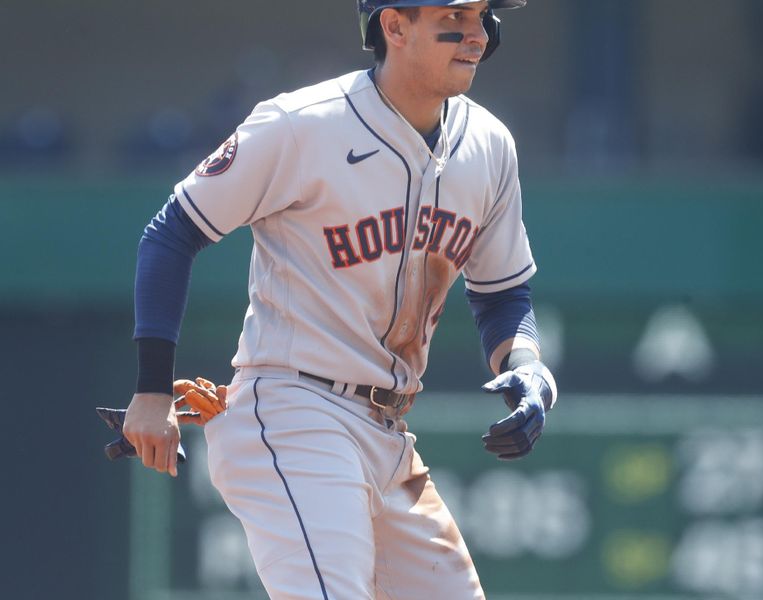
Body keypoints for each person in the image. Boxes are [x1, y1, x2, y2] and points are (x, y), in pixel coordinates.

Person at [122, 1, 557, 598]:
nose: (478, 35)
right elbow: (172, 232)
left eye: (484, 16)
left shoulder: (489, 145)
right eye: (455, 16)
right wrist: (150, 389)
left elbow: (504, 293)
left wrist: (528, 367)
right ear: (395, 26)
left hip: (388, 433)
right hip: (296, 409)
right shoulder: (302, 124)